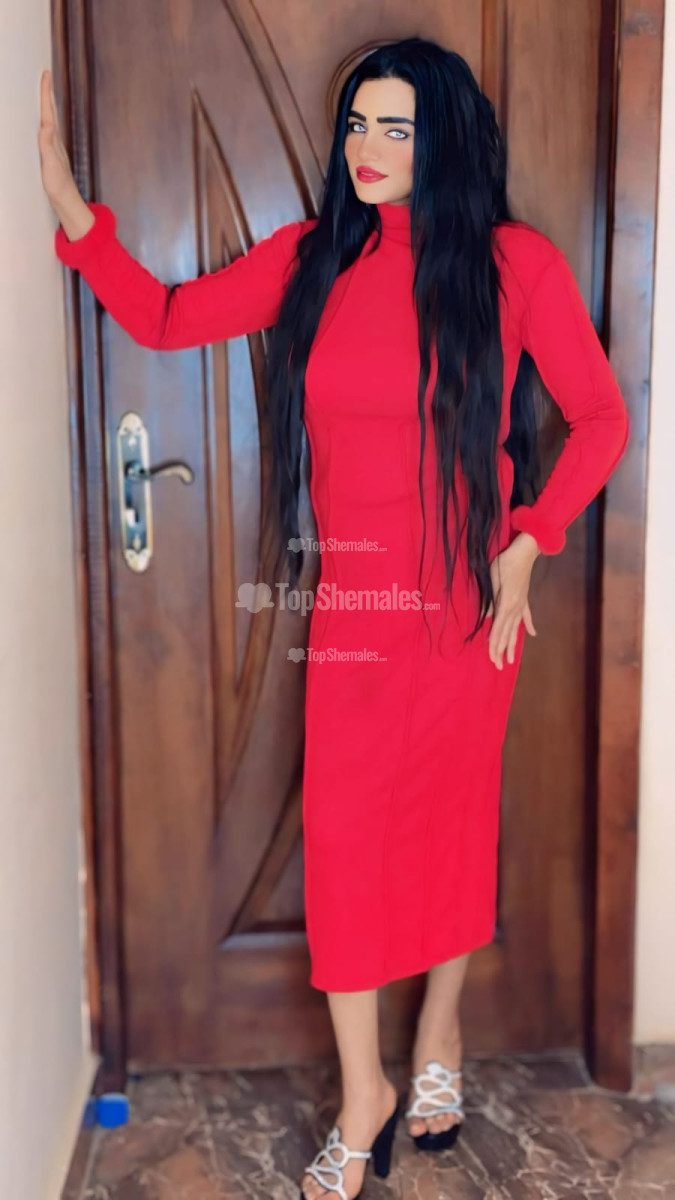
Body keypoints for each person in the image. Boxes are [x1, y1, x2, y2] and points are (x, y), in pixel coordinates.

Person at [39, 35, 630, 1200]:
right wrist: (71, 210)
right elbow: (162, 318)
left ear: (443, 138)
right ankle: (366, 1091)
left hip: (466, 608)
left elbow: (602, 418)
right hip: (357, 603)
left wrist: (530, 540)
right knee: (348, 840)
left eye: (396, 127)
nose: (368, 146)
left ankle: (441, 1029)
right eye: (359, 122)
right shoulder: (317, 258)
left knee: (452, 822)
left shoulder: (515, 266)